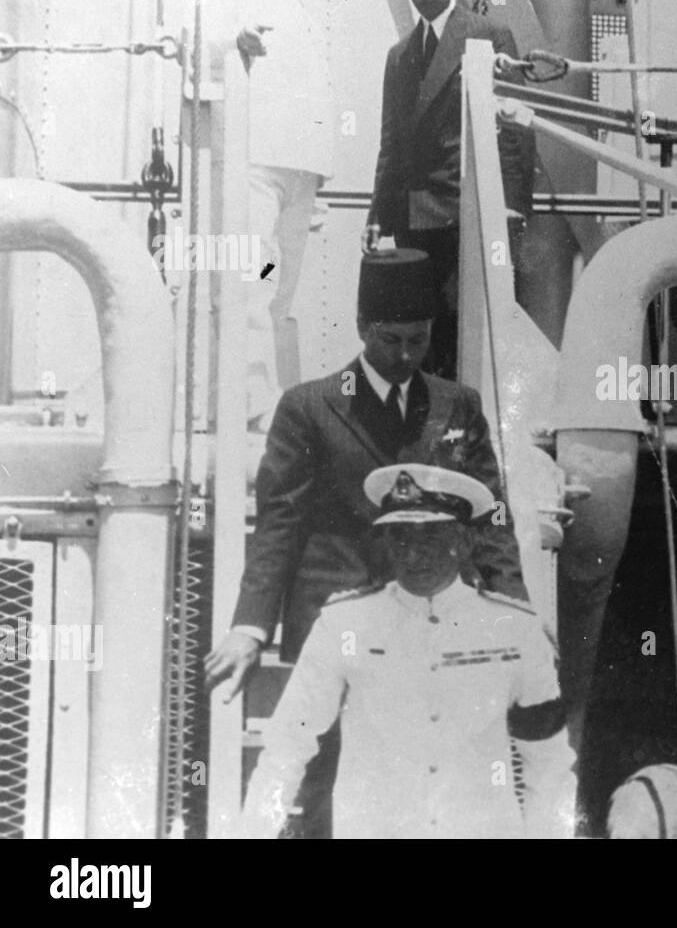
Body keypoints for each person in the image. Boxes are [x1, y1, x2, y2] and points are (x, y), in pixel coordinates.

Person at [205, 248, 528, 836]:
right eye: (391, 341)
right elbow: (280, 523)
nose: (406, 356)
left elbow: (490, 516)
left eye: (418, 341)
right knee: (332, 776)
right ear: (362, 329)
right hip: (339, 620)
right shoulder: (308, 407)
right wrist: (251, 626)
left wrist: (515, 607)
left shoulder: (458, 405)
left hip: (431, 615)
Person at [241, 462, 574, 839]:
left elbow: (549, 765)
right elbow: (287, 749)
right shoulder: (344, 624)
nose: (413, 555)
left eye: (430, 537)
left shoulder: (514, 631)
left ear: (464, 542)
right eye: (400, 537)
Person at [363, 0, 535, 380]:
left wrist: (512, 209)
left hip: (465, 213)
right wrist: (377, 216)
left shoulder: (489, 37)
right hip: (413, 221)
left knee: (465, 326)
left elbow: (514, 133)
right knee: (421, 328)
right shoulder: (398, 57)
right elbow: (391, 144)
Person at [190, 0, 334, 427]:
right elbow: (194, 38)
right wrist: (233, 41)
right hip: (250, 161)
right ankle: (247, 407)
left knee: (277, 290)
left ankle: (263, 405)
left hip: (296, 171)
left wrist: (317, 174)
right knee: (248, 283)